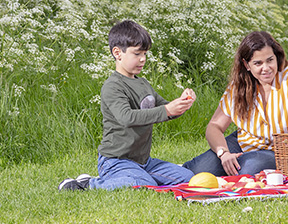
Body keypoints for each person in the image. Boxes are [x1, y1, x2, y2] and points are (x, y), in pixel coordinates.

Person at [58, 20, 197, 191]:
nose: (143, 59)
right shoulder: (113, 86)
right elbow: (126, 118)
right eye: (137, 54)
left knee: (187, 178)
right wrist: (167, 110)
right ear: (118, 53)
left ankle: (140, 176)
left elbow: (164, 110)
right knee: (145, 185)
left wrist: (182, 104)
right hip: (115, 160)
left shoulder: (143, 83)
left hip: (144, 161)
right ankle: (87, 184)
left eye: (145, 54)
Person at [183, 31, 288, 177]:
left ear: (276, 58)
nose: (266, 68)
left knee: (246, 169)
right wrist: (224, 154)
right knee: (195, 171)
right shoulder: (238, 86)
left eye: (270, 60)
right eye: (258, 63)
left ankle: (236, 169)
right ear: (246, 64)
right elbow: (214, 126)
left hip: (280, 150)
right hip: (244, 142)